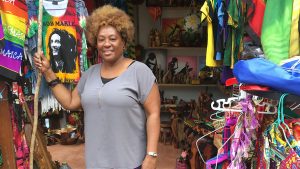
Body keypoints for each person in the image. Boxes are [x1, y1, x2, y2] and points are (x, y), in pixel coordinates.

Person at [34, 4, 160, 169]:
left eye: (113, 39)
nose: (106, 44)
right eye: (101, 39)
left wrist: (151, 156)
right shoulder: (90, 74)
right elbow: (70, 102)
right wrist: (48, 72)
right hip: (96, 164)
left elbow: (153, 115)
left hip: (131, 163)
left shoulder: (140, 72)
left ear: (124, 41)